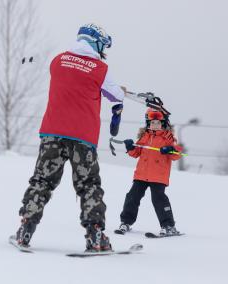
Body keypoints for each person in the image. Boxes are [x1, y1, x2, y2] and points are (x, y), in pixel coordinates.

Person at [13, 23, 126, 252]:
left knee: (42, 181)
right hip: (83, 138)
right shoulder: (100, 69)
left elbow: (72, 80)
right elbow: (116, 96)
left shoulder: (58, 61)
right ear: (96, 43)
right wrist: (115, 94)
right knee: (89, 185)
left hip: (52, 133)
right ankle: (95, 236)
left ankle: (26, 229)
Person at [117, 108, 182, 236]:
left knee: (158, 199)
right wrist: (130, 147)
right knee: (132, 197)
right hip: (141, 174)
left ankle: (168, 225)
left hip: (158, 176)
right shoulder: (145, 136)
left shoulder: (168, 137)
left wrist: (170, 149)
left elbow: (177, 153)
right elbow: (136, 153)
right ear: (148, 123)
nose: (155, 125)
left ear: (163, 124)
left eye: (158, 123)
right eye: (153, 123)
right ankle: (126, 222)